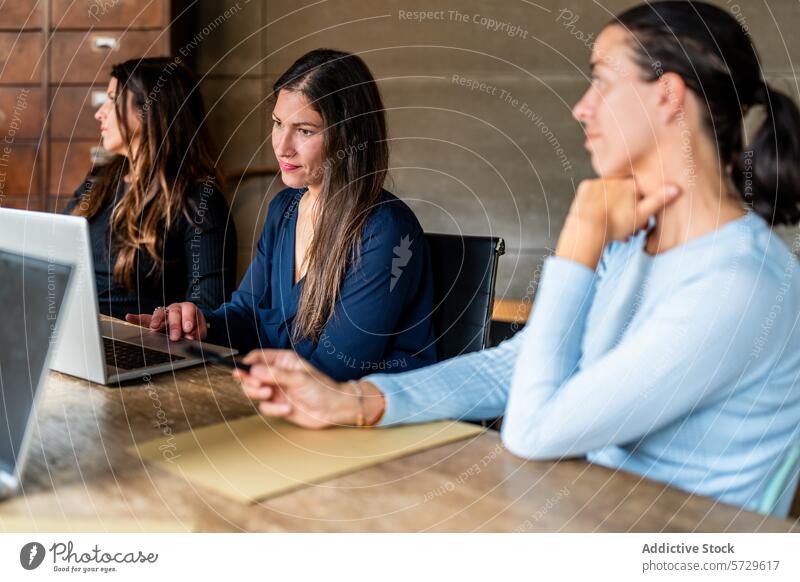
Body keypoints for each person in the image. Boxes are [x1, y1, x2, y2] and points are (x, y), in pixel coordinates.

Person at [231, 2, 800, 516]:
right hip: (580, 511)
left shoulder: (738, 281)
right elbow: (516, 367)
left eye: (601, 82)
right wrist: (352, 402)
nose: (581, 108)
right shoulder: (634, 243)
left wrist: (579, 243)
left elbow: (533, 429)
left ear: (669, 95)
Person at [127, 49, 437, 381]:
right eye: (278, 124)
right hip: (291, 402)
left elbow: (337, 370)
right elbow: (247, 313)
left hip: (363, 421)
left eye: (304, 130)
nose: (282, 146)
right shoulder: (284, 209)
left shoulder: (385, 231)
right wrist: (200, 324)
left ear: (349, 137)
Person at [66, 57, 237, 318]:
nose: (99, 112)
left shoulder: (198, 200)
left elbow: (209, 311)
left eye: (113, 99)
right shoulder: (102, 178)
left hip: (138, 347)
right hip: (71, 328)